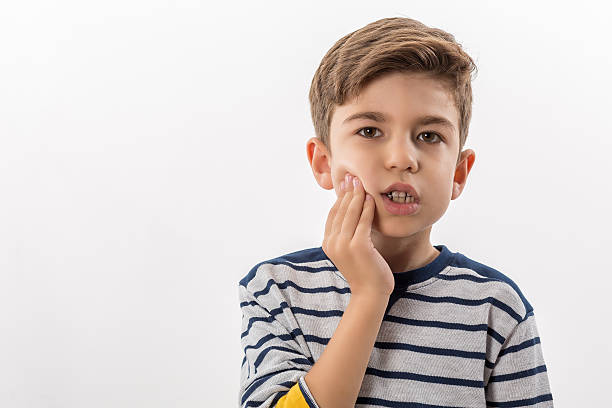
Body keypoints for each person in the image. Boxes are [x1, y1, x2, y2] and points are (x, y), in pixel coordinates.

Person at [238, 16, 554, 408]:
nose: (403, 158)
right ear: (323, 162)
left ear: (458, 173)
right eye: (370, 131)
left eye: (429, 136)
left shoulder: (498, 309)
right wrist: (370, 294)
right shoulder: (276, 290)